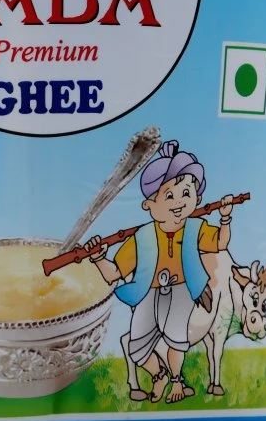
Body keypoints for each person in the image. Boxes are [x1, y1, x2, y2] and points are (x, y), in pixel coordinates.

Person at [86, 140, 234, 403]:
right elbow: (114, 273)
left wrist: (224, 218)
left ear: (197, 199)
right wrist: (98, 258)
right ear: (149, 205)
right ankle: (159, 375)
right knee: (137, 348)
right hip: (148, 293)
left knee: (176, 340)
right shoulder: (142, 237)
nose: (179, 203)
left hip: (181, 290)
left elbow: (221, 243)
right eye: (169, 196)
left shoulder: (195, 229)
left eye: (186, 193)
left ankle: (177, 382)